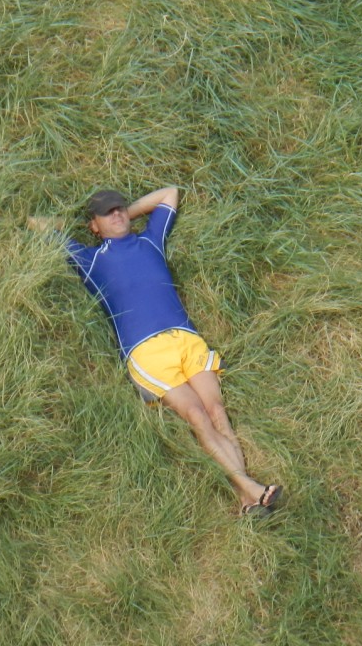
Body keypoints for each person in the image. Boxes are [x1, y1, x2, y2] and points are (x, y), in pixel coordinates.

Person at [29, 187, 283, 516]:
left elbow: (170, 193)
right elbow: (35, 224)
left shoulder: (149, 241)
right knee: (196, 416)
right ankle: (252, 488)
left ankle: (248, 499)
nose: (117, 213)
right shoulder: (89, 260)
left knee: (217, 411)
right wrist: (76, 226)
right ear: (94, 225)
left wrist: (127, 214)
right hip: (145, 351)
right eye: (107, 213)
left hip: (186, 338)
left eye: (119, 208)